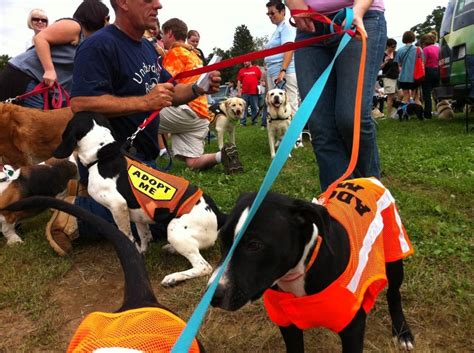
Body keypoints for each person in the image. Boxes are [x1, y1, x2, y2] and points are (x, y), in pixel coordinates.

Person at [44, 0, 232, 256]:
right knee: (162, 225)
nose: (158, 5)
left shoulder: (146, 48)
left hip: (143, 161)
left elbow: (170, 91)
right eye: (148, 0)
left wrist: (198, 87)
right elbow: (80, 103)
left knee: (184, 214)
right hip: (114, 162)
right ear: (123, 3)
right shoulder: (98, 45)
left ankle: (90, 198)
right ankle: (74, 214)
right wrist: (145, 101)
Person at [286, 0, 386, 192]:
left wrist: (359, 9)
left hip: (360, 17)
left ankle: (372, 199)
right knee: (320, 126)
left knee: (351, 119)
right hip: (309, 25)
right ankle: (339, 203)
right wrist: (294, 4)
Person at [160, 17, 242, 172]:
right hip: (201, 116)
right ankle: (221, 156)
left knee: (134, 113)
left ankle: (136, 159)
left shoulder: (175, 52)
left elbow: (165, 84)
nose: (162, 39)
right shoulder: (195, 55)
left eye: (163, 35)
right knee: (193, 161)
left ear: (169, 33)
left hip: (183, 110)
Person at [0, 0, 110, 108]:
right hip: (22, 75)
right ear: (97, 16)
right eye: (107, 18)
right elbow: (40, 38)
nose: (109, 23)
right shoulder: (74, 26)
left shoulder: (89, 42)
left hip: (37, 82)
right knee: (40, 124)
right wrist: (49, 70)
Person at [264, 0, 299, 118]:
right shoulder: (278, 29)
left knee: (290, 104)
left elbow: (289, 48)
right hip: (275, 72)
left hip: (284, 73)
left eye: (272, 13)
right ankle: (284, 135)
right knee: (277, 107)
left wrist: (283, 70)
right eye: (268, 14)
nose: (270, 16)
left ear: (283, 11)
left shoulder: (287, 26)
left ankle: (296, 136)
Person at [394, 31, 422, 106]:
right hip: (415, 77)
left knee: (406, 97)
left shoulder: (400, 50)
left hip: (404, 77)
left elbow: (398, 64)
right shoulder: (418, 49)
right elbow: (422, 61)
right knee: (416, 97)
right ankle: (419, 114)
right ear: (413, 38)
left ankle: (403, 113)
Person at [237, 61, 262, 126]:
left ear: (250, 61)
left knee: (254, 108)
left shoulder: (256, 69)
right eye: (243, 62)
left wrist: (261, 87)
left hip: (255, 92)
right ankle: (242, 123)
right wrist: (239, 91)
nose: (244, 63)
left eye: (246, 61)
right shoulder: (241, 70)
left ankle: (255, 122)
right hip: (244, 93)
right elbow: (239, 81)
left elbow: (261, 79)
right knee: (243, 108)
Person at [421, 33, 440, 119]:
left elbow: (423, 63)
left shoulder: (425, 49)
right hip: (437, 71)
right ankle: (440, 110)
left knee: (427, 94)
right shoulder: (438, 48)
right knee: (437, 93)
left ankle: (428, 114)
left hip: (428, 71)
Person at [381, 38, 399, 117]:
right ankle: (389, 115)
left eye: (395, 46)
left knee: (401, 94)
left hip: (397, 77)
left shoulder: (396, 53)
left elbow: (399, 64)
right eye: (392, 46)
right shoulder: (383, 55)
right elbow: (379, 68)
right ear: (387, 46)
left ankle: (395, 112)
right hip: (388, 77)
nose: (394, 48)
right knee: (390, 97)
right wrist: (385, 62)